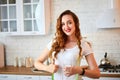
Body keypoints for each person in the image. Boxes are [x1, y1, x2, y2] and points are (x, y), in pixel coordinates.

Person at [34, 10, 100, 80]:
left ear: (76, 24)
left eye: (69, 23)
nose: (66, 27)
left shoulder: (83, 44)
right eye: (63, 24)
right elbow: (37, 62)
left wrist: (80, 71)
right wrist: (47, 68)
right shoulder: (55, 42)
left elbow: (96, 74)